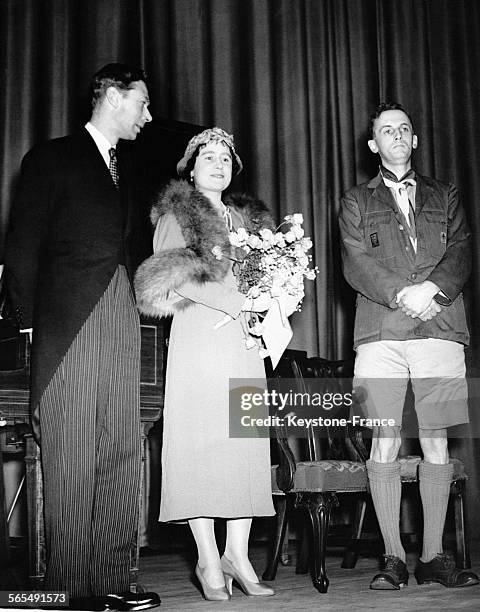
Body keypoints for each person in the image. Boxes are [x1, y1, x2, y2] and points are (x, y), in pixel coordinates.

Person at [4, 63, 160, 611]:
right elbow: (21, 247)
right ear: (113, 97)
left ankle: (115, 579)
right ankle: (70, 589)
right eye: (141, 103)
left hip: (122, 315)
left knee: (120, 444)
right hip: (68, 323)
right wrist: (28, 323)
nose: (147, 114)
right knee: (70, 449)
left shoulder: (129, 170)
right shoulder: (51, 157)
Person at [339, 102, 479, 591]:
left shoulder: (447, 194)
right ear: (373, 144)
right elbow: (355, 262)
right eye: (385, 131)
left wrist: (431, 292)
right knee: (385, 438)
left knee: (436, 438)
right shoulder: (356, 200)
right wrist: (403, 294)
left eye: (404, 129)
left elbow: (462, 249)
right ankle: (394, 557)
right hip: (380, 334)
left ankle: (434, 556)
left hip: (440, 329)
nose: (396, 136)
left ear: (414, 140)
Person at [134, 127, 275, 601]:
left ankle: (238, 554)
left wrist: (273, 301)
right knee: (202, 444)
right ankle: (208, 559)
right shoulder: (179, 213)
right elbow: (178, 278)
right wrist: (238, 301)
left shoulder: (248, 218)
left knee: (244, 444)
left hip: (245, 342)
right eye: (206, 156)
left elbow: (269, 274)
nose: (216, 163)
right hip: (200, 339)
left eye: (224, 157)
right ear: (190, 169)